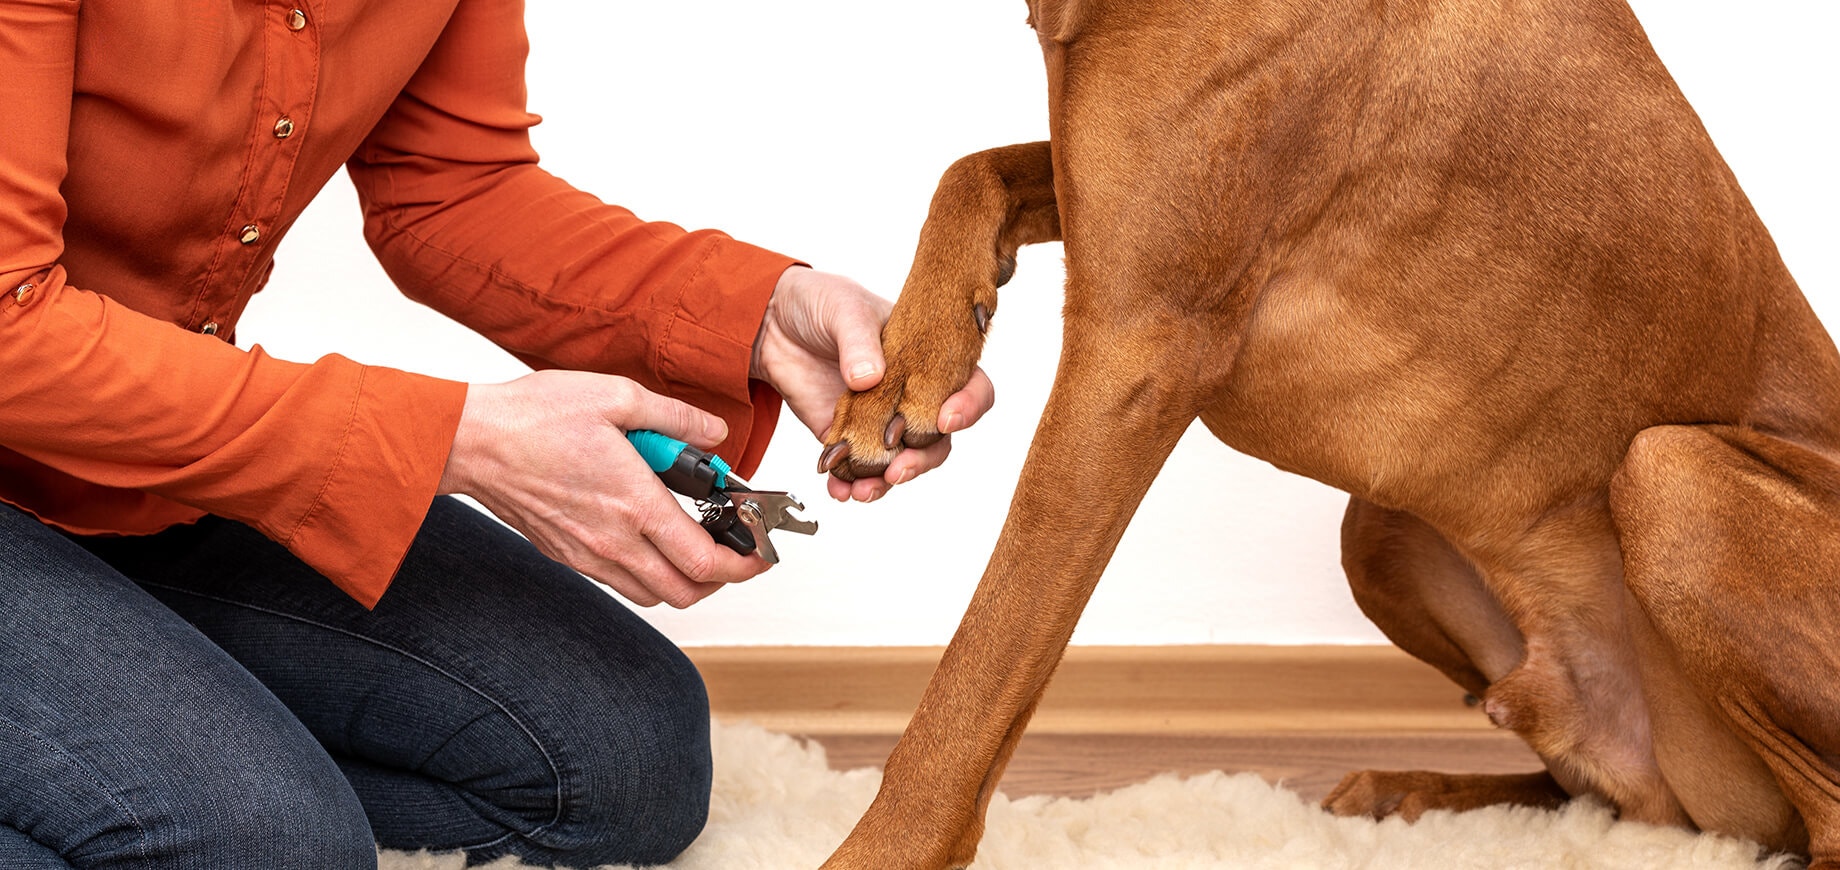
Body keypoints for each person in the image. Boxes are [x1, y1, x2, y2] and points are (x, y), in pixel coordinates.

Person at [0, 2, 994, 868]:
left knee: (624, 762)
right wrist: (452, 441)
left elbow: (451, 187)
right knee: (266, 846)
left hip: (144, 463)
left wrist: (757, 315)